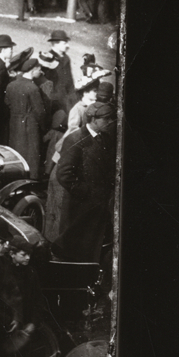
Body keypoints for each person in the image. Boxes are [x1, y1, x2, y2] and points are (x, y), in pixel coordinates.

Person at [43, 100, 117, 262]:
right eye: (107, 119)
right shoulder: (75, 139)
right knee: (75, 249)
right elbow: (64, 174)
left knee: (92, 246)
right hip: (80, 205)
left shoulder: (104, 138)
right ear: (93, 119)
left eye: (111, 119)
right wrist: (85, 191)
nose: (110, 122)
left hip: (98, 203)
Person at [5, 57, 50, 178]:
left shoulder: (11, 85)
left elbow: (7, 102)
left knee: (16, 151)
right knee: (31, 154)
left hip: (14, 123)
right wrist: (45, 127)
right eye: (39, 69)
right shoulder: (33, 88)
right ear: (33, 70)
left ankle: (15, 176)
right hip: (30, 125)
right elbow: (40, 112)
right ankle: (30, 180)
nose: (40, 72)